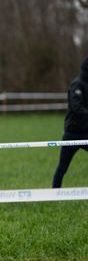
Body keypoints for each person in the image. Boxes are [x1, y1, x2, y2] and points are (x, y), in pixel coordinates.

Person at [52, 56, 88, 188]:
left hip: (86, 133)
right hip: (71, 134)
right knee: (62, 167)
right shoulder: (76, 85)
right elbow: (76, 107)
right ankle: (54, 194)